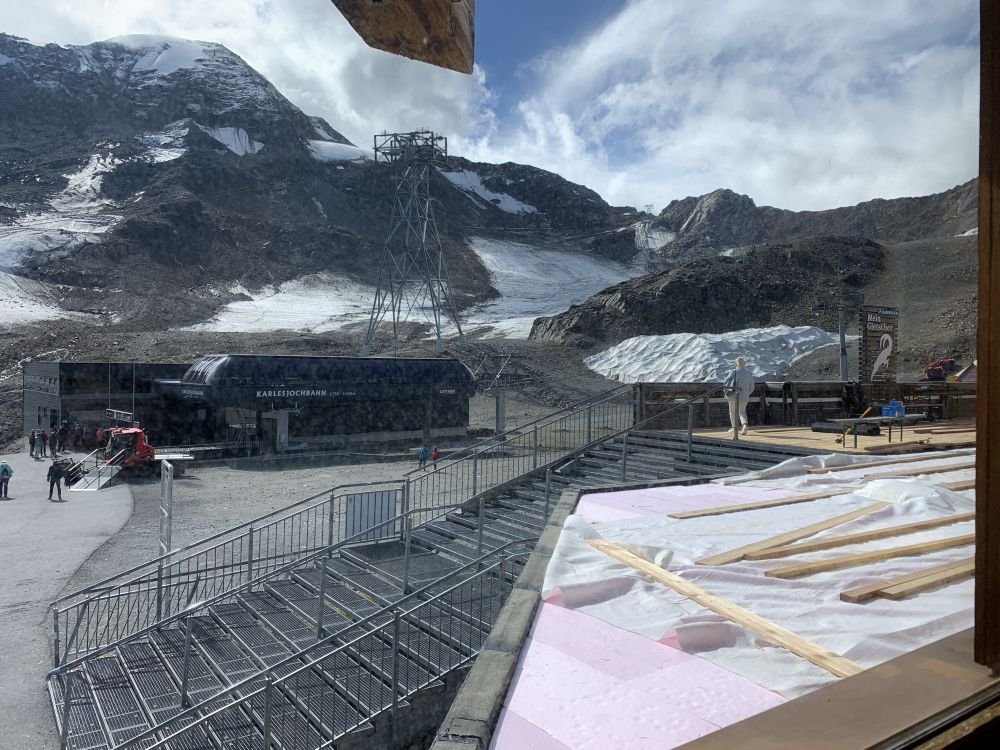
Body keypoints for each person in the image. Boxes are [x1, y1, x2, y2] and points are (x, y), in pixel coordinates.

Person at [723, 356, 756, 437]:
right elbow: (752, 387)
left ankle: (734, 428)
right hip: (744, 396)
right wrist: (747, 393)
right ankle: (744, 424)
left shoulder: (733, 372)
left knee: (732, 412)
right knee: (742, 412)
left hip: (733, 396)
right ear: (744, 363)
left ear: (736, 364)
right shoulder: (748, 374)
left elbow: (726, 383)